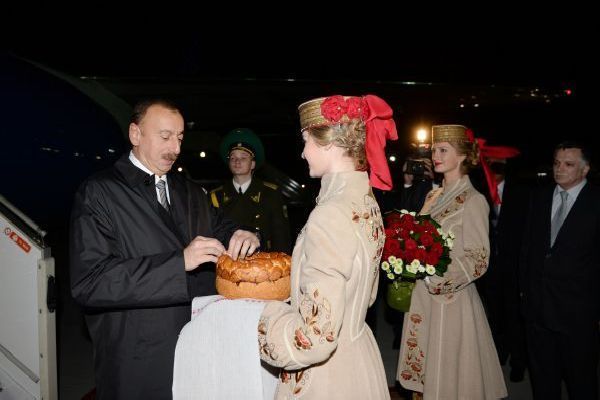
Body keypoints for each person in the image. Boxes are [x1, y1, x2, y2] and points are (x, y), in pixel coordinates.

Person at [69, 99, 259, 400]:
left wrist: (242, 233)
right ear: (135, 134)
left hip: (195, 348)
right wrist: (178, 263)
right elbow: (91, 282)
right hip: (137, 359)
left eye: (180, 138)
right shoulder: (100, 192)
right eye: (165, 136)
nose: (176, 148)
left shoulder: (189, 190)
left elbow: (220, 225)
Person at [257, 94, 397, 399]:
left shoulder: (330, 214)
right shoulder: (365, 201)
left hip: (328, 376)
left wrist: (263, 319)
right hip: (357, 352)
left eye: (306, 141)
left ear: (329, 143)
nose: (303, 152)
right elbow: (367, 294)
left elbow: (316, 336)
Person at [396, 124, 507, 399]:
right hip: (423, 297)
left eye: (443, 150)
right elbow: (416, 239)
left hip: (451, 301)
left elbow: (479, 258)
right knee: (424, 374)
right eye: (434, 150)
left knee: (447, 377)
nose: (435, 155)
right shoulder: (433, 195)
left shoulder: (474, 200)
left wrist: (435, 277)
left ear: (463, 156)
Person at [520, 141, 599, 399]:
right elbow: (527, 249)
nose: (559, 169)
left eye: (568, 164)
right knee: (543, 384)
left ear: (585, 169)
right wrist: (524, 292)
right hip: (538, 312)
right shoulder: (540, 197)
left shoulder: (596, 202)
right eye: (556, 163)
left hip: (578, 316)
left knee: (581, 383)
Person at [476, 155, 529, 383]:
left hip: (513, 265)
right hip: (490, 264)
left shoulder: (520, 193)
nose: (495, 170)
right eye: (491, 165)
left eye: (499, 166)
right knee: (495, 313)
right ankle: (499, 352)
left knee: (514, 315)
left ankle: (518, 361)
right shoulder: (481, 193)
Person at [210, 128, 292, 253]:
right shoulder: (216, 196)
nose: (237, 161)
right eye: (233, 157)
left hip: (262, 261)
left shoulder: (270, 193)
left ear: (253, 164)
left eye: (243, 158)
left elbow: (281, 238)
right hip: (228, 261)